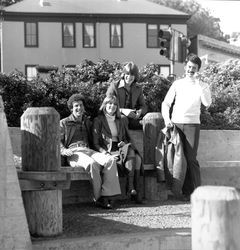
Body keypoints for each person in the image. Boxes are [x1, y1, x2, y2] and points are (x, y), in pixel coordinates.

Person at [161, 53, 212, 200]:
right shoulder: (177, 84)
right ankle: (181, 192)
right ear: (185, 67)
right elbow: (166, 103)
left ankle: (197, 193)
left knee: (191, 159)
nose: (191, 70)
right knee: (178, 159)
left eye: (194, 68)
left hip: (192, 125)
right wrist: (167, 119)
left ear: (198, 70)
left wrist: (199, 84)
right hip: (176, 124)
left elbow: (207, 103)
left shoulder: (203, 85)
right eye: (189, 67)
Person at [60, 93, 121, 209]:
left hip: (89, 150)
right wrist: (63, 150)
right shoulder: (64, 123)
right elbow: (56, 141)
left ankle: (108, 195)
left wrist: (104, 151)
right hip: (74, 153)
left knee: (110, 160)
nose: (79, 108)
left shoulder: (88, 122)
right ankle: (98, 198)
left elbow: (95, 140)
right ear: (71, 108)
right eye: (76, 106)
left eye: (81, 105)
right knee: (92, 164)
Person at [92, 95, 144, 203]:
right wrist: (105, 153)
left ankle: (132, 188)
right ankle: (132, 190)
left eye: (115, 104)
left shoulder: (120, 120)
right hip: (108, 149)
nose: (112, 106)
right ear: (105, 105)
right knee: (134, 156)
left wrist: (123, 143)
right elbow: (95, 143)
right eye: (110, 103)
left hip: (120, 147)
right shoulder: (98, 120)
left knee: (133, 153)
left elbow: (126, 138)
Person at [106, 61, 147, 130]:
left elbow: (143, 106)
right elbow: (107, 105)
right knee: (123, 119)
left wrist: (139, 112)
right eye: (127, 74)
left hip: (132, 118)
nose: (129, 77)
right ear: (123, 74)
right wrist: (122, 111)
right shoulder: (114, 86)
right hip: (116, 116)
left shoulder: (138, 88)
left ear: (135, 76)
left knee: (148, 122)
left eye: (132, 75)